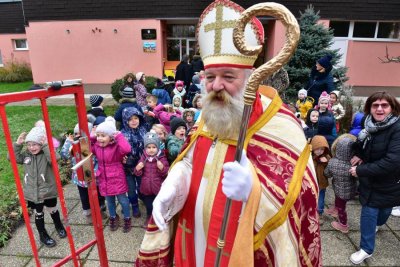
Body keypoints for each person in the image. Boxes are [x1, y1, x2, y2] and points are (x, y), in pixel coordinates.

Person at [136, 1, 321, 266]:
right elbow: (193, 158)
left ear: (250, 77)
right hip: (195, 238)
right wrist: (175, 181)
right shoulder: (211, 115)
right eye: (210, 76)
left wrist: (254, 191)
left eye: (228, 76)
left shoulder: (283, 126)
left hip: (239, 246)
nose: (217, 85)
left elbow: (303, 198)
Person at [349, 91, 400, 265]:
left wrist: (361, 170)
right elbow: (361, 143)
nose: (379, 109)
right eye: (375, 105)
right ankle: (366, 249)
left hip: (389, 181)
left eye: (384, 105)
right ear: (369, 108)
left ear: (392, 108)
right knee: (369, 212)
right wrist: (358, 153)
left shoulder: (397, 128)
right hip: (370, 181)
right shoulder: (368, 123)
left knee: (384, 211)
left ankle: (377, 225)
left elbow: (392, 161)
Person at [13, 126, 66, 247]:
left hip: (47, 189)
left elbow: (55, 159)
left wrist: (46, 145)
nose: (32, 148)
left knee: (52, 208)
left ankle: (59, 225)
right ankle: (43, 235)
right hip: (33, 192)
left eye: (35, 144)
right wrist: (17, 144)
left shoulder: (46, 154)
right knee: (39, 212)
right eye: (29, 145)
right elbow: (12, 157)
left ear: (41, 144)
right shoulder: (26, 155)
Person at [90, 116, 132, 233]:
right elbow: (89, 146)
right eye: (98, 136)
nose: (100, 139)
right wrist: (93, 136)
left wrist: (118, 136)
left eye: (103, 136)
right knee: (109, 200)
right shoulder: (97, 147)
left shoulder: (116, 147)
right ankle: (113, 217)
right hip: (104, 177)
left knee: (123, 200)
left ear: (111, 137)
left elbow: (127, 149)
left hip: (117, 176)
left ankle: (127, 217)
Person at [60, 122, 106, 223]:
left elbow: (100, 159)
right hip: (80, 178)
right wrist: (68, 142)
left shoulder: (93, 145)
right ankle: (88, 212)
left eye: (80, 134)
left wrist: (96, 171)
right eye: (76, 134)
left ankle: (100, 209)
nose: (78, 136)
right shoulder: (74, 146)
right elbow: (64, 155)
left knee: (98, 194)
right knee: (84, 196)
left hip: (94, 176)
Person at [134, 132, 169, 228]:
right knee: (149, 205)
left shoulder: (162, 158)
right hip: (146, 188)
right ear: (145, 148)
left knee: (158, 205)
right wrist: (137, 168)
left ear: (158, 147)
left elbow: (165, 173)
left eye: (154, 147)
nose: (151, 150)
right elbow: (137, 173)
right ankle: (149, 217)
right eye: (148, 147)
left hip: (158, 188)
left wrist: (162, 168)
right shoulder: (143, 158)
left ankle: (159, 219)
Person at [324, 134, 357, 233]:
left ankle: (343, 225)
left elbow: (327, 174)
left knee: (342, 207)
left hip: (338, 189)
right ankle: (335, 209)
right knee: (340, 201)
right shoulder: (354, 163)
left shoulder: (332, 162)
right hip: (350, 190)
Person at [121, 107, 147, 218]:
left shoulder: (143, 130)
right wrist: (121, 158)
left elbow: (148, 147)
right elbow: (118, 149)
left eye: (136, 118)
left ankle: (142, 198)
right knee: (131, 189)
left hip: (141, 165)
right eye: (130, 119)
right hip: (128, 168)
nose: (134, 121)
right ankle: (134, 205)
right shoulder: (122, 134)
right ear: (125, 121)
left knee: (142, 186)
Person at [310, 135, 331, 215]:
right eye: (317, 149)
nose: (319, 151)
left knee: (321, 198)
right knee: (311, 198)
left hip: (322, 183)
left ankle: (319, 213)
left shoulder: (327, 157)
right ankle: (311, 212)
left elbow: (329, 171)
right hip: (312, 182)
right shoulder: (309, 157)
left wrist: (326, 162)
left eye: (322, 149)